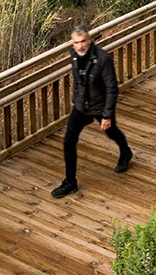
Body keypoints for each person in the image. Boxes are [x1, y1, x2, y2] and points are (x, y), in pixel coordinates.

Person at [51, 25, 133, 197]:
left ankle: (125, 152)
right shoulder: (73, 55)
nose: (80, 46)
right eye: (76, 42)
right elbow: (78, 80)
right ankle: (70, 182)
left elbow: (112, 88)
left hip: (100, 105)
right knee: (68, 142)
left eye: (83, 41)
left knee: (111, 132)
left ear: (90, 40)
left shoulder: (103, 59)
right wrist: (76, 101)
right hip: (81, 106)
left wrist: (107, 114)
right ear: (72, 44)